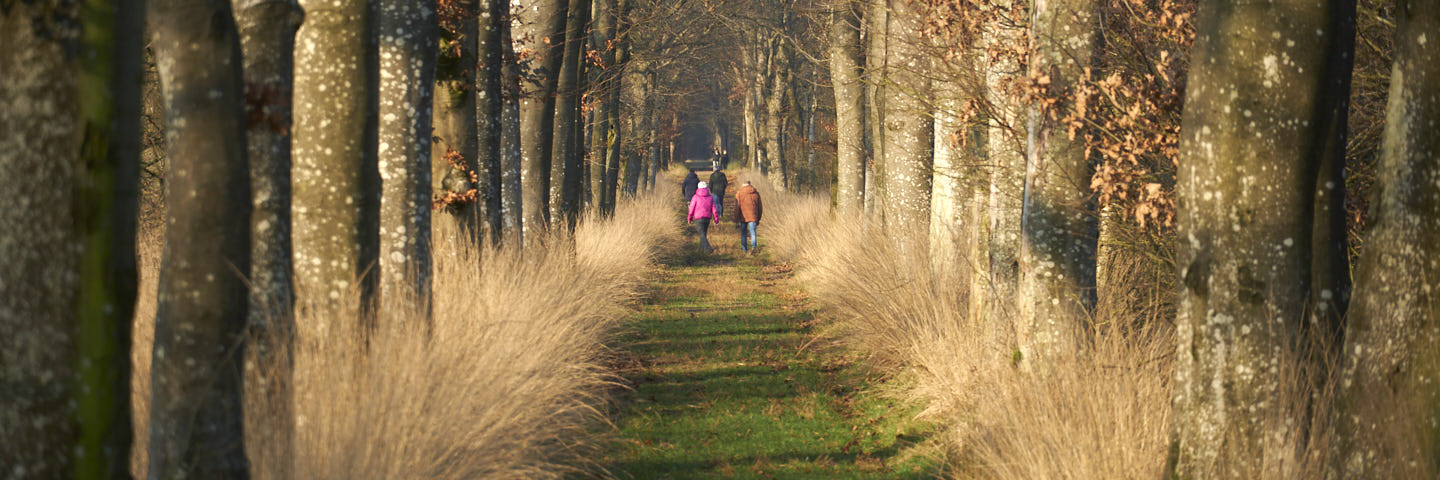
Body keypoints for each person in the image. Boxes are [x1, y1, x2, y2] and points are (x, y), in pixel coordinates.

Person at [687, 181, 721, 253]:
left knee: (702, 234)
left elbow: (691, 208)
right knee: (703, 234)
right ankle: (702, 250)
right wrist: (716, 219)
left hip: (698, 218)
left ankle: (708, 249)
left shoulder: (695, 197)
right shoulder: (710, 197)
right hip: (707, 218)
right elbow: (714, 209)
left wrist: (689, 218)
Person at [733, 180, 762, 254]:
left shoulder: (739, 193)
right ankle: (753, 247)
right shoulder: (756, 193)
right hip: (753, 216)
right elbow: (760, 207)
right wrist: (758, 218)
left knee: (743, 233)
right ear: (750, 185)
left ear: (743, 185)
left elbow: (737, 208)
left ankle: (744, 249)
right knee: (753, 233)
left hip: (743, 216)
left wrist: (736, 220)